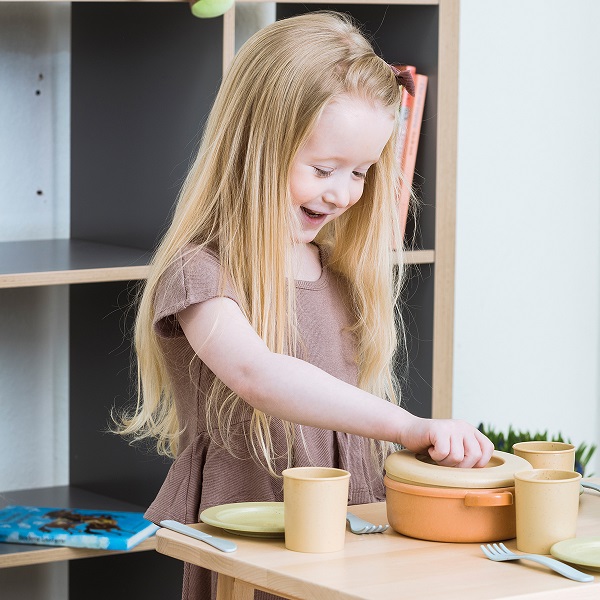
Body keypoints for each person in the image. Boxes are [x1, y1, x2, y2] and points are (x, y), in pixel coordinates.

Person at [116, 11, 493, 600]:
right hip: (251, 536)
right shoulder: (202, 273)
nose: (342, 193)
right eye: (322, 169)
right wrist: (408, 426)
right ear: (255, 148)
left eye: (362, 172)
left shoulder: (338, 273)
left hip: (345, 534)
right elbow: (259, 375)